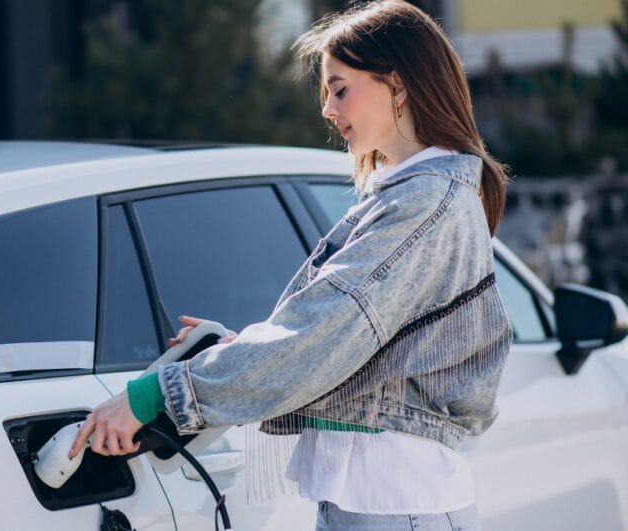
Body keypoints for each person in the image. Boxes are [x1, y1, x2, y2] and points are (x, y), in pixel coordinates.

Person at [70, 1, 513, 529]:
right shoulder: (414, 196)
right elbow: (353, 346)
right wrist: (245, 349)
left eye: (340, 89)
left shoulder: (424, 203)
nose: (327, 109)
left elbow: (320, 335)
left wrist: (155, 396)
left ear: (397, 86)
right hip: (384, 503)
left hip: (396, 504)